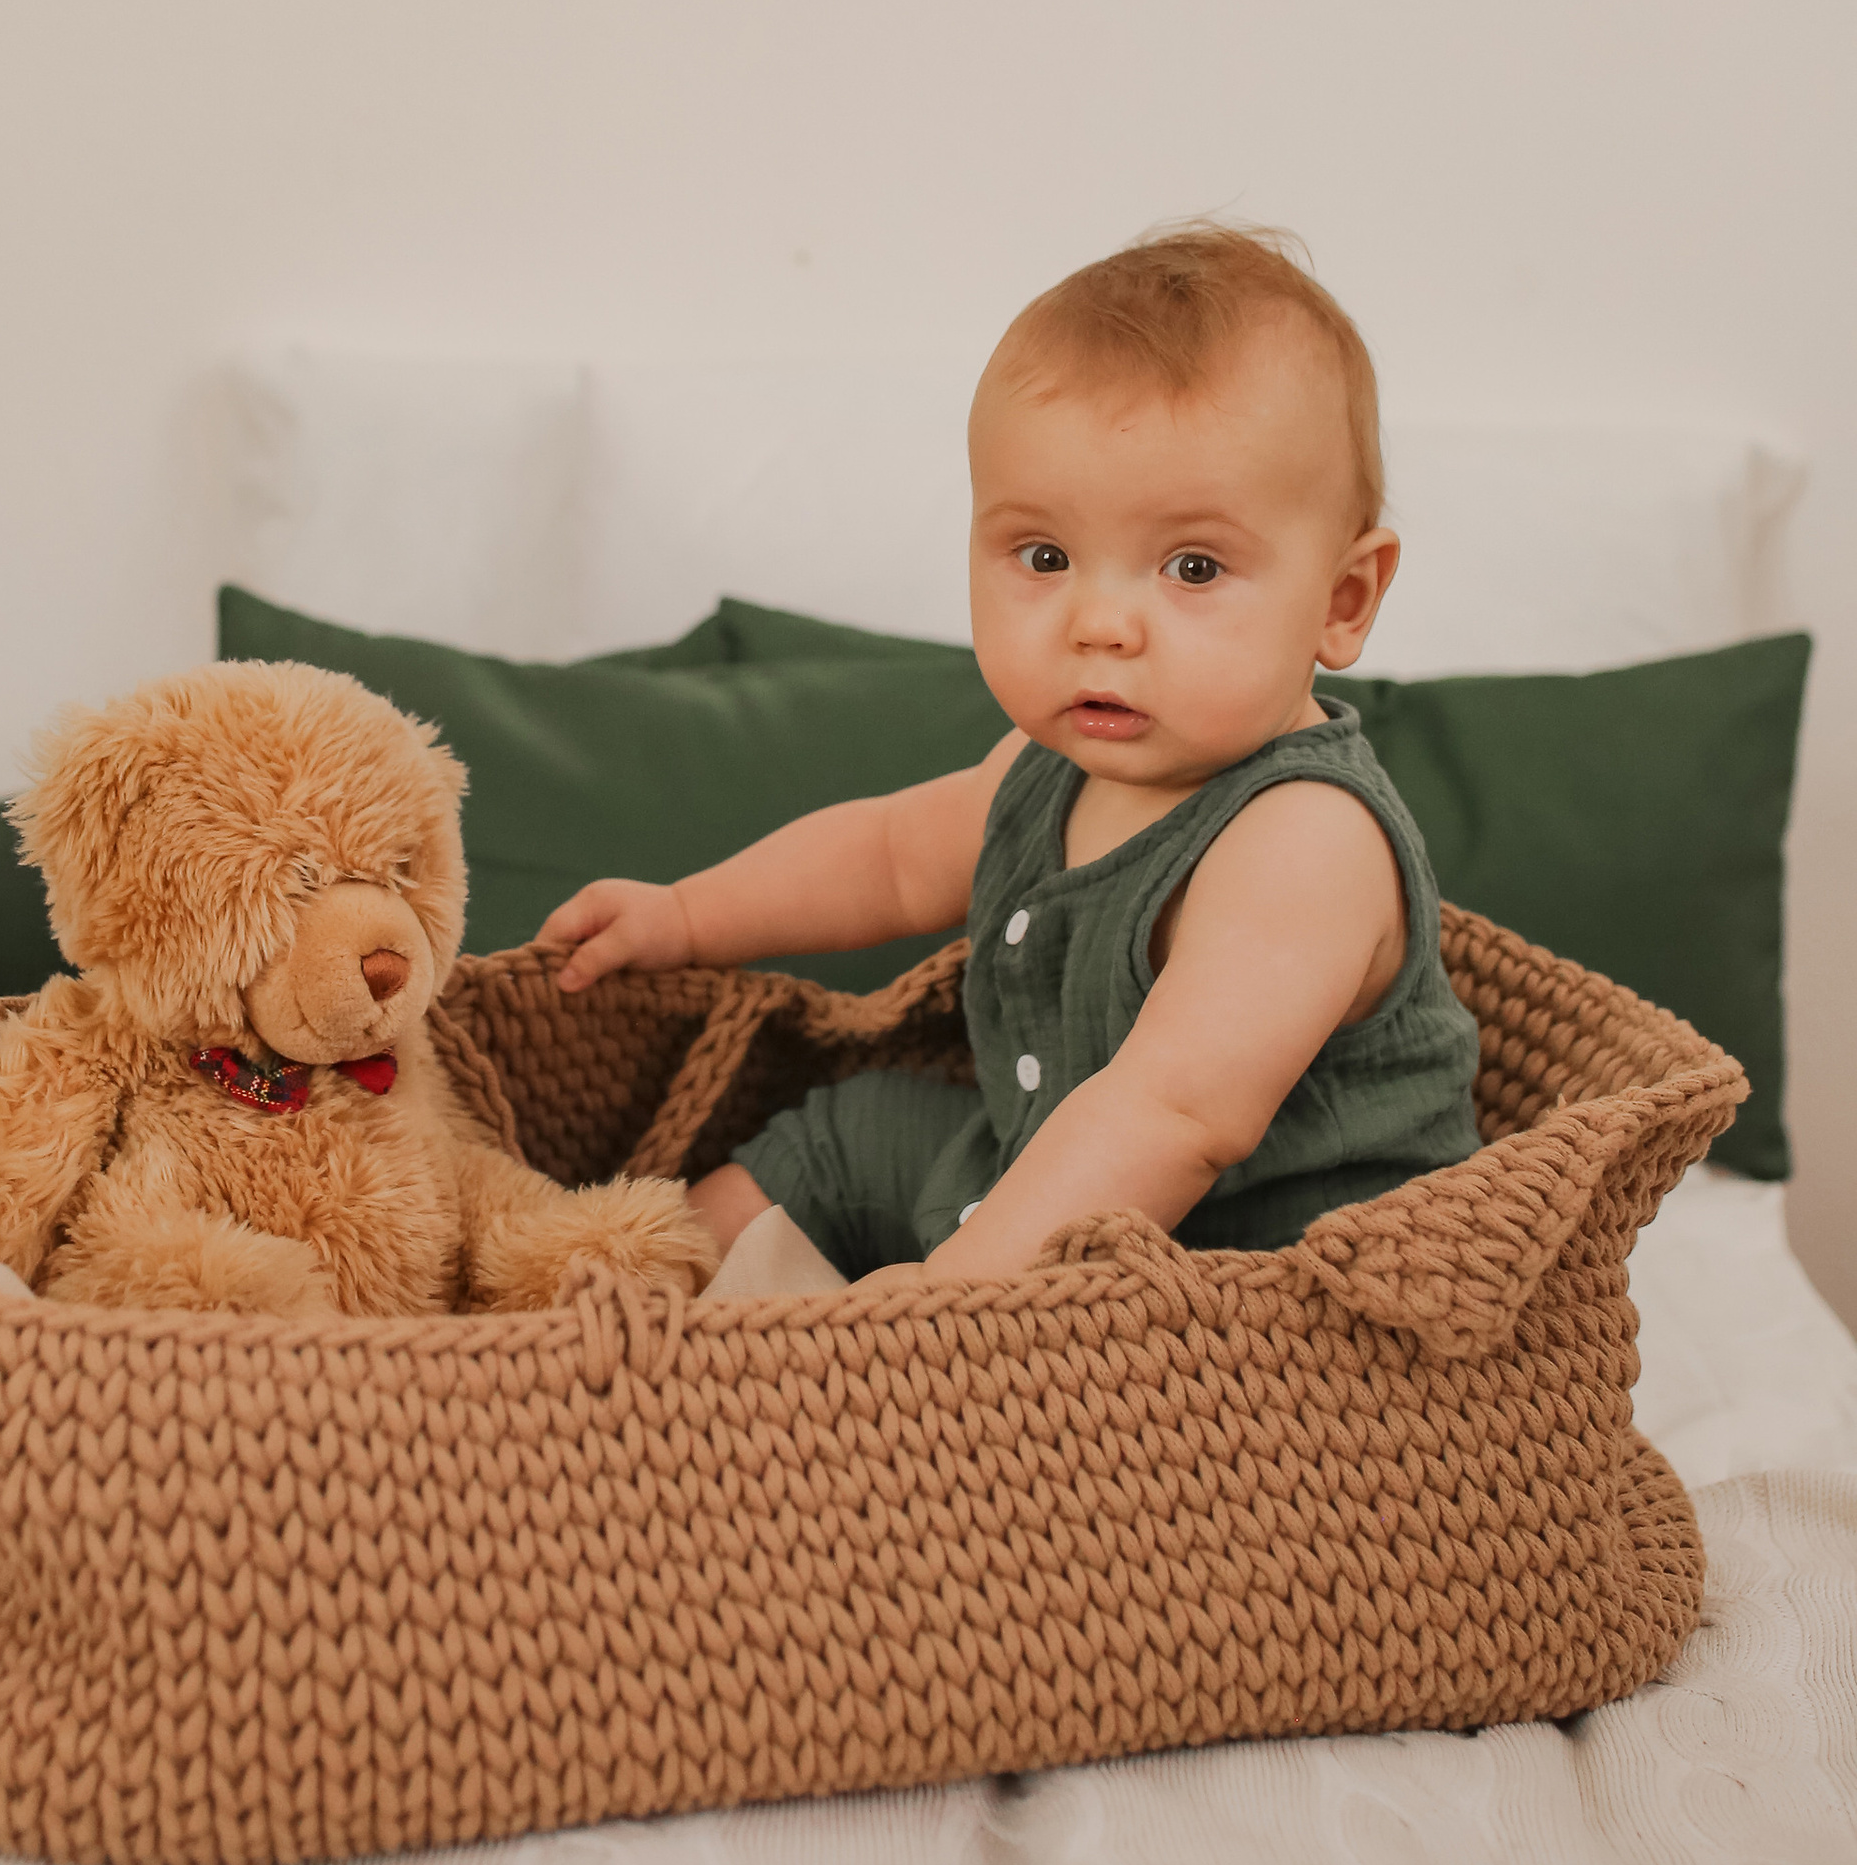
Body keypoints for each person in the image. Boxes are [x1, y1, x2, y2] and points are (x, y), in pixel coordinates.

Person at [535, 223, 1481, 1289]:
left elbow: (1174, 1114)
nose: (1101, 623)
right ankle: (606, 1308)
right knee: (844, 1134)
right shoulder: (1056, 766)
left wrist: (958, 1296)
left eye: (1193, 567)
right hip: (1041, 1175)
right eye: (1044, 556)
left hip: (1253, 1276)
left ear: (1341, 601)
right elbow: (891, 855)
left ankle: (734, 1369)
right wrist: (687, 917)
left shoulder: (1304, 839)